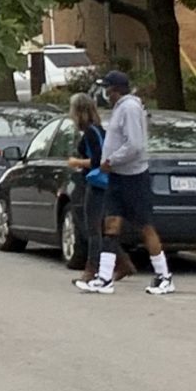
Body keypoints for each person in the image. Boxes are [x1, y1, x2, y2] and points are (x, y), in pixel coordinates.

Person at [75, 70, 173, 296]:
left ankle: (164, 275)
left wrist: (111, 160)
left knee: (145, 226)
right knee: (111, 225)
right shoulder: (120, 107)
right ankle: (104, 277)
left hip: (133, 177)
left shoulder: (129, 108)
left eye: (107, 88)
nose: (105, 93)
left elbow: (135, 145)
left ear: (116, 89)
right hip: (118, 177)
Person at [63, 91, 107, 277]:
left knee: (93, 226)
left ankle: (93, 267)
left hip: (96, 182)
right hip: (100, 182)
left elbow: (98, 160)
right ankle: (120, 263)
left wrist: (77, 162)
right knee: (99, 226)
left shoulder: (90, 132)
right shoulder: (99, 129)